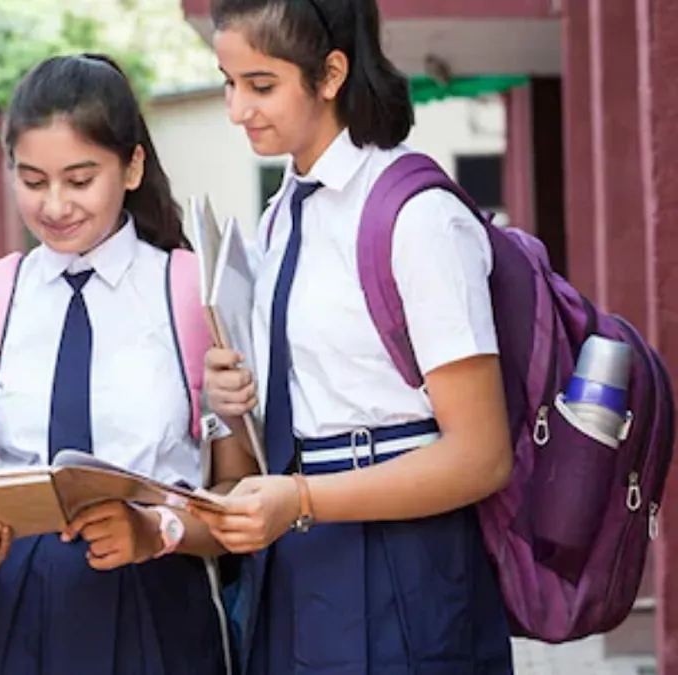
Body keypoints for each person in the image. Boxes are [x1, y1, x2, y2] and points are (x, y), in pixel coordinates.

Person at [190, 0, 515, 673]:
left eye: (261, 85)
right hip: (298, 557)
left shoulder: (415, 216)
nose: (236, 110)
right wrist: (235, 401)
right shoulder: (283, 212)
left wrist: (304, 499)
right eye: (228, 82)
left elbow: (482, 454)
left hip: (402, 564)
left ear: (331, 73)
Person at [0, 54, 258, 675]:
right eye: (32, 179)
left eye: (80, 181)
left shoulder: (196, 296)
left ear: (132, 166)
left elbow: (238, 498)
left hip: (160, 606)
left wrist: (155, 529)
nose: (54, 206)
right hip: (13, 618)